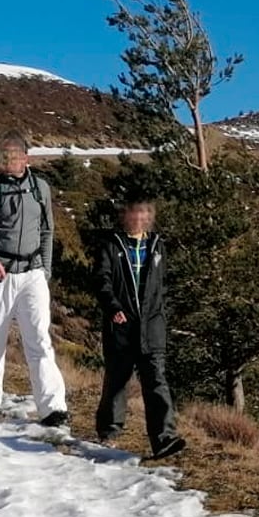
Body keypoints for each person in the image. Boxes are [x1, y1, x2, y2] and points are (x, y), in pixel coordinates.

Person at [0, 131, 69, 427]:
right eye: (3, 156)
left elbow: (47, 231)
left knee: (40, 340)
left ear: (26, 158)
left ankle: (53, 408)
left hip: (33, 274)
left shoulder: (40, 188)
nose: (7, 161)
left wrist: (44, 270)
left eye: (12, 156)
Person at [94, 194, 184, 460]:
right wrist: (112, 308)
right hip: (121, 326)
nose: (139, 217)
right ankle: (109, 431)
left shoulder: (157, 246)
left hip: (152, 326)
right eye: (134, 212)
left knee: (157, 381)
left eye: (144, 212)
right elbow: (101, 279)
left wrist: (160, 315)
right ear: (125, 216)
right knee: (117, 380)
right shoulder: (110, 245)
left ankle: (164, 439)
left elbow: (162, 285)